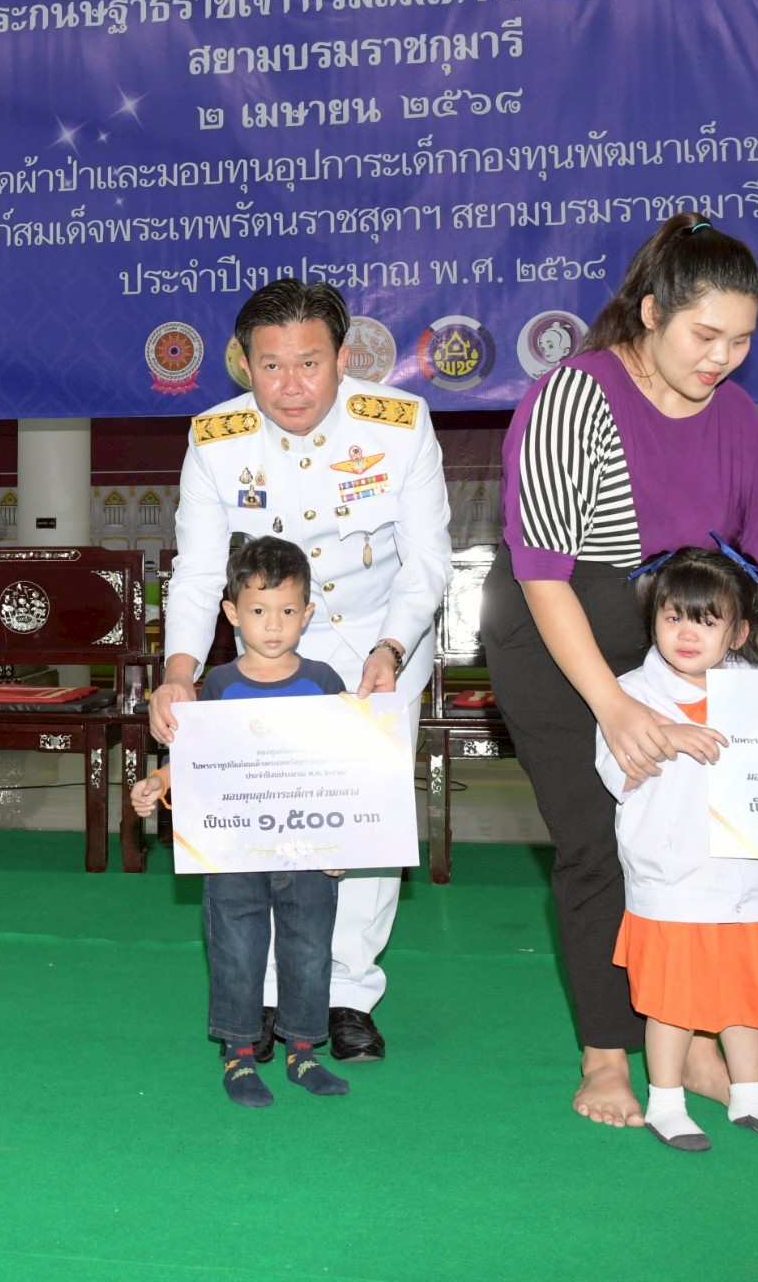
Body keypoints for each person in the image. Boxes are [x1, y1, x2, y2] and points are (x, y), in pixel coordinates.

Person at [477, 211, 758, 1127]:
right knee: (601, 848)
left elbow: (757, 567)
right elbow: (541, 572)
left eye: (742, 340)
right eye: (704, 335)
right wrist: (613, 707)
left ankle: (695, 1042)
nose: (722, 358)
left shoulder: (736, 419)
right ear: (651, 313)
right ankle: (607, 1057)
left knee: (703, 846)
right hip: (559, 639)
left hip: (680, 640)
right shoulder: (575, 394)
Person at [151, 278, 450, 1063]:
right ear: (244, 364)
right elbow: (195, 571)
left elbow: (426, 563)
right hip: (270, 648)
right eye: (271, 365)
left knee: (367, 821)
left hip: (377, 642)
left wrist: (390, 652)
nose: (290, 384)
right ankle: (277, 993)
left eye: (309, 363)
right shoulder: (214, 438)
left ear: (343, 359)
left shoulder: (400, 425)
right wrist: (180, 670)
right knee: (270, 818)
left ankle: (348, 994)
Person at [597, 547, 758, 1153]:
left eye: (708, 620)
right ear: (654, 620)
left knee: (747, 994)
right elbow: (616, 769)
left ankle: (747, 1094)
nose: (687, 633)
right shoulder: (629, 693)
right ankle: (666, 1101)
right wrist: (665, 737)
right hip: (676, 878)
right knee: (672, 998)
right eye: (673, 617)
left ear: (740, 632)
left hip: (751, 878)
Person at [131, 536, 355, 1108]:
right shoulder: (220, 685)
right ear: (232, 614)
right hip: (231, 852)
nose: (273, 625)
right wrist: (160, 782)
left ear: (307, 613)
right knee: (236, 948)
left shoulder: (328, 682)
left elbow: (349, 767)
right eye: (258, 611)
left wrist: (345, 837)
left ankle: (303, 1051)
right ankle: (238, 1055)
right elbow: (197, 755)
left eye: (287, 611)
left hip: (309, 850)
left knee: (309, 948)